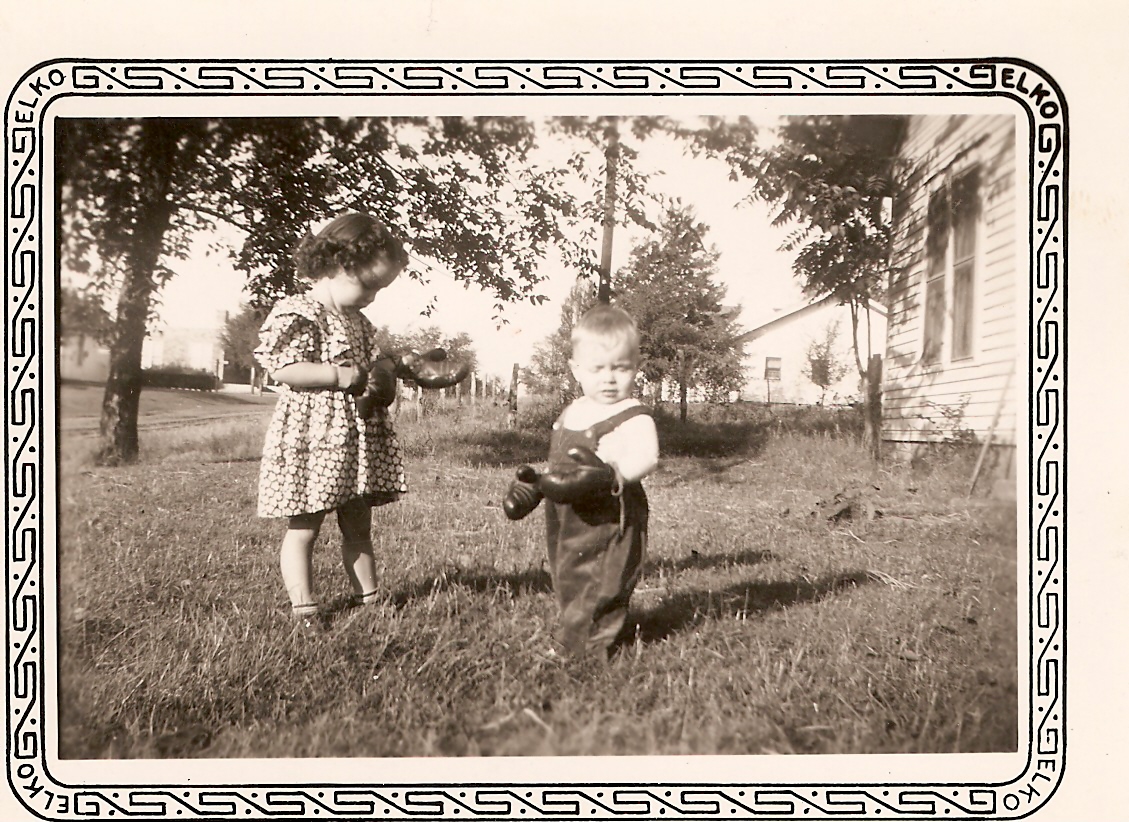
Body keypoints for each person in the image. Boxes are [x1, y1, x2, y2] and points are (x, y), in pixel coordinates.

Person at [255, 212, 463, 632]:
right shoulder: (299, 312)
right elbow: (282, 367)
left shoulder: (359, 322)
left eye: (379, 289)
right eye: (368, 285)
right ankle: (305, 608)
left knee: (358, 524)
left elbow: (370, 367)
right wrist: (336, 375)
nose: (372, 297)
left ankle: (370, 599)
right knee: (305, 525)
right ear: (337, 266)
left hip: (354, 440)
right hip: (313, 438)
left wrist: (396, 366)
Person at [503, 304, 659, 659]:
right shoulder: (573, 411)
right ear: (576, 370)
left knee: (602, 578)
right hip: (567, 518)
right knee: (570, 576)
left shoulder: (632, 415)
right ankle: (581, 632)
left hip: (610, 514)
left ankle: (582, 649)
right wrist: (536, 486)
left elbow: (647, 456)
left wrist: (612, 473)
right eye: (598, 369)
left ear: (635, 367)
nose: (609, 379)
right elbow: (559, 466)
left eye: (620, 368)